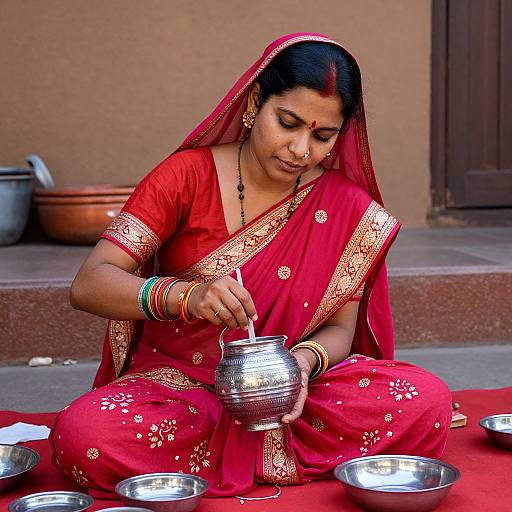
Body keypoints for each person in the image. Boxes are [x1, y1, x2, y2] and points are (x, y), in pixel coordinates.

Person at [50, 32, 451, 498]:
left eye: (323, 136)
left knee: (427, 402)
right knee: (85, 437)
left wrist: (301, 364)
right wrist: (187, 296)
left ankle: (224, 458)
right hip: (183, 390)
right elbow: (88, 284)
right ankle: (277, 457)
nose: (301, 149)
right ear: (254, 102)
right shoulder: (186, 176)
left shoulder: (346, 207)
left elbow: (342, 330)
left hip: (295, 397)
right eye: (288, 123)